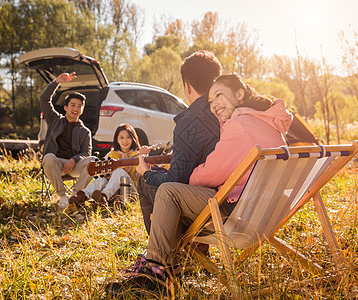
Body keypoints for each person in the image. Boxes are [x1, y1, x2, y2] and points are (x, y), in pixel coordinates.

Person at [106, 74, 294, 297]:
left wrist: (186, 173)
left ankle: (157, 272)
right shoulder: (269, 123)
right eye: (211, 100)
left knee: (169, 191)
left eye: (219, 95)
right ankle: (166, 265)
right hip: (268, 213)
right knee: (174, 193)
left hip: (238, 214)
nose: (214, 104)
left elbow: (206, 176)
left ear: (239, 94)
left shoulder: (239, 125)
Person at [137, 50, 222, 234]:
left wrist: (145, 172)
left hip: (211, 209)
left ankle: (161, 249)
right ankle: (194, 248)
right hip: (241, 203)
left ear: (187, 86)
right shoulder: (228, 113)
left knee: (146, 182)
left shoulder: (190, 121)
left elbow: (174, 181)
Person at [40, 72, 97, 209]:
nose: (76, 108)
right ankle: (63, 196)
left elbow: (86, 152)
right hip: (56, 165)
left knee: (93, 161)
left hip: (74, 167)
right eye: (73, 105)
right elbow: (44, 99)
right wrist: (56, 82)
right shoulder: (54, 120)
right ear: (65, 107)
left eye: (79, 106)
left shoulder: (85, 131)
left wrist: (74, 159)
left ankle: (75, 195)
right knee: (48, 157)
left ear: (82, 110)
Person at [69, 123, 145, 206]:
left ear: (133, 138)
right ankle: (83, 196)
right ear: (117, 139)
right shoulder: (111, 154)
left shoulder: (137, 154)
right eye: (121, 137)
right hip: (114, 190)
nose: (125, 141)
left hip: (130, 190)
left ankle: (104, 196)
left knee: (119, 171)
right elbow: (102, 170)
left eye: (128, 137)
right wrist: (107, 174)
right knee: (101, 179)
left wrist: (142, 157)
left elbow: (142, 176)